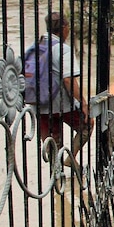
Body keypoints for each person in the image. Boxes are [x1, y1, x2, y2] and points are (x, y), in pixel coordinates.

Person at [31, 12, 94, 159]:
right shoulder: (62, 49)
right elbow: (69, 80)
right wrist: (83, 103)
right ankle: (70, 158)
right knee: (87, 125)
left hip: (40, 104)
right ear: (64, 28)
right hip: (61, 105)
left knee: (52, 143)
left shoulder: (35, 47)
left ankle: (56, 177)